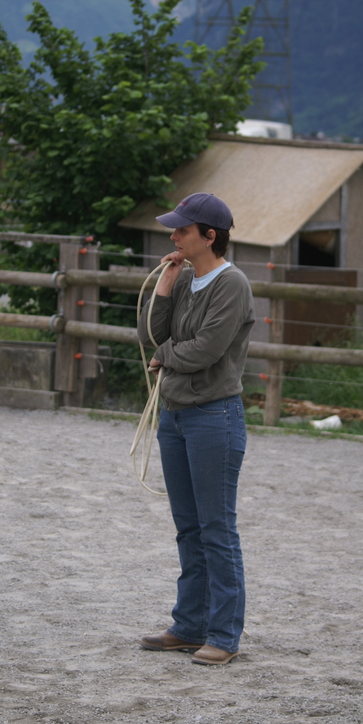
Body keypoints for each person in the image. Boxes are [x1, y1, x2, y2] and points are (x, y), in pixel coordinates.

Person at [137, 192, 255, 666]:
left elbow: (205, 349)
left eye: (182, 230)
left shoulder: (233, 284)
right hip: (175, 415)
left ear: (209, 236)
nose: (173, 237)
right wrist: (166, 286)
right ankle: (189, 626)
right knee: (189, 527)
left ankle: (223, 635)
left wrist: (164, 357)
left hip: (213, 417)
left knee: (216, 529)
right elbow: (151, 334)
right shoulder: (184, 278)